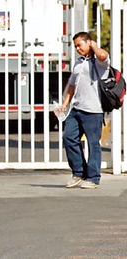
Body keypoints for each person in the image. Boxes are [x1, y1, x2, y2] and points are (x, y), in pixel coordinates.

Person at [59, 31, 109, 189]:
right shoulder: (78, 62)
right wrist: (65, 103)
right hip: (76, 108)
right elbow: (72, 85)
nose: (77, 49)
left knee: (93, 144)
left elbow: (103, 55)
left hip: (93, 110)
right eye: (75, 47)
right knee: (68, 137)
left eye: (80, 45)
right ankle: (78, 172)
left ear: (88, 43)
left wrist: (93, 45)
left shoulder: (99, 63)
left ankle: (93, 178)